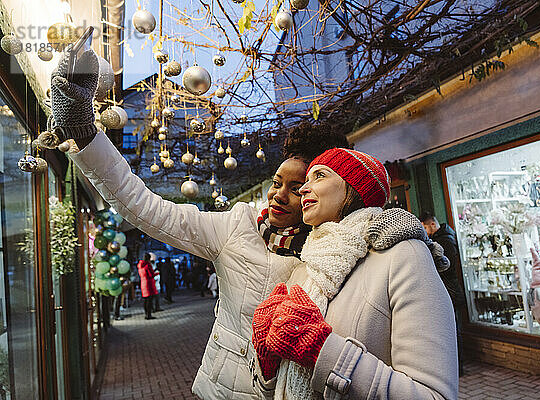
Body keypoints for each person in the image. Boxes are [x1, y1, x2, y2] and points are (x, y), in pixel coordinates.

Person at [49, 46, 351, 400]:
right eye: (276, 182)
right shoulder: (237, 228)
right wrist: (84, 130)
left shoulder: (338, 250)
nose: (278, 195)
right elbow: (145, 207)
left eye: (296, 188)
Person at [252, 148, 458, 399]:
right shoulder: (305, 268)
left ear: (355, 187)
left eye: (319, 176)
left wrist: (323, 350)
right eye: (306, 181)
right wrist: (269, 363)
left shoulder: (404, 256)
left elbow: (435, 394)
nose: (304, 189)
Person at [420, 211, 466, 376]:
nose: (425, 231)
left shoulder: (444, 241)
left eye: (425, 227)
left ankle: (457, 368)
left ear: (432, 224)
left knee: (452, 331)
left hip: (450, 291)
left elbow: (446, 268)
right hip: (450, 290)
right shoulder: (444, 237)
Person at [138, 253, 159, 320]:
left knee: (145, 300)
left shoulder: (140, 265)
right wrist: (157, 273)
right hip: (149, 284)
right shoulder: (147, 265)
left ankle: (146, 314)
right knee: (149, 300)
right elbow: (151, 275)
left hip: (143, 283)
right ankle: (149, 315)